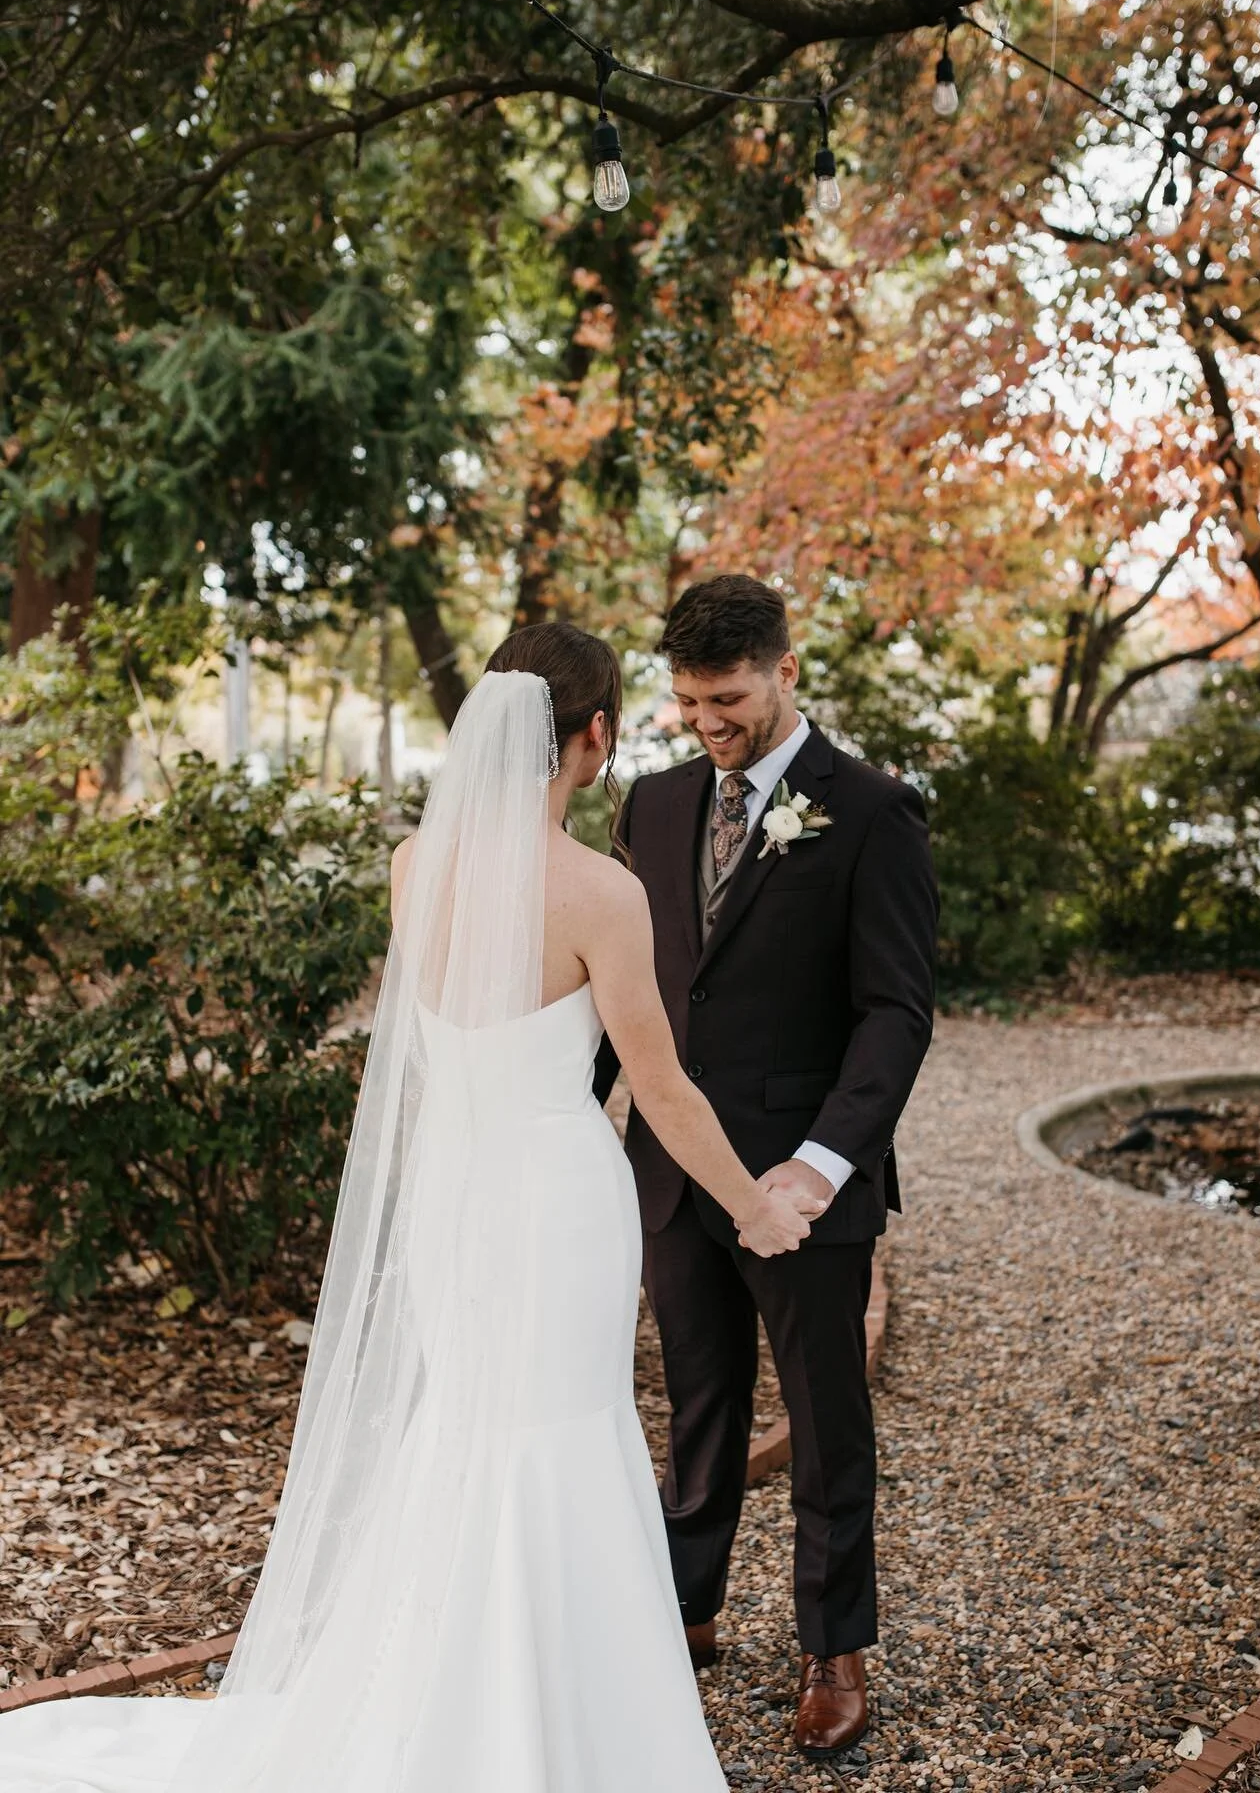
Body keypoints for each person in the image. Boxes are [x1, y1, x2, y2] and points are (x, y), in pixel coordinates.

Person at [0, 623, 820, 1793]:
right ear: (591, 738)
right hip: (550, 1195)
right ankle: (556, 1728)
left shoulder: (412, 867)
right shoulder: (602, 892)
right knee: (559, 1436)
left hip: (455, 1190)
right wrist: (755, 1207)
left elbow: (434, 1058)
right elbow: (664, 1088)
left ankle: (440, 1703)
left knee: (469, 1435)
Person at [595, 575, 938, 1761]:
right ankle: (686, 1610)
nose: (708, 723)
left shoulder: (875, 813)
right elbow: (629, 990)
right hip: (674, 1179)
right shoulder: (652, 804)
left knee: (827, 1419)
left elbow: (894, 1015)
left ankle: (834, 1647)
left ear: (787, 671)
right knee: (699, 1406)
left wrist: (822, 1166)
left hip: (802, 1189)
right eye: (689, 701)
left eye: (728, 698)